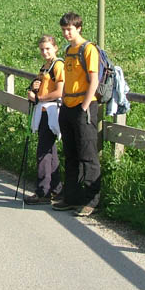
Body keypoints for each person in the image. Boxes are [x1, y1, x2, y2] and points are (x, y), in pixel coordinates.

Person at [52, 12, 100, 217]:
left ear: (79, 28)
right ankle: (72, 198)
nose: (66, 33)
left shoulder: (88, 49)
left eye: (69, 29)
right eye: (63, 30)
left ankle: (91, 201)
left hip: (83, 107)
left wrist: (84, 107)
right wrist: (64, 103)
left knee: (88, 155)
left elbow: (94, 80)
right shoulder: (68, 50)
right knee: (71, 154)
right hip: (68, 106)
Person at [23, 35, 64, 205]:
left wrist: (40, 98)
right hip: (44, 110)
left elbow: (60, 92)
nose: (44, 52)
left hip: (51, 110)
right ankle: (56, 189)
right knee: (49, 150)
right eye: (42, 49)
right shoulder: (45, 66)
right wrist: (33, 89)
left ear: (55, 48)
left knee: (43, 151)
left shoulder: (58, 65)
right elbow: (40, 85)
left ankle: (43, 191)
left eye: (47, 48)